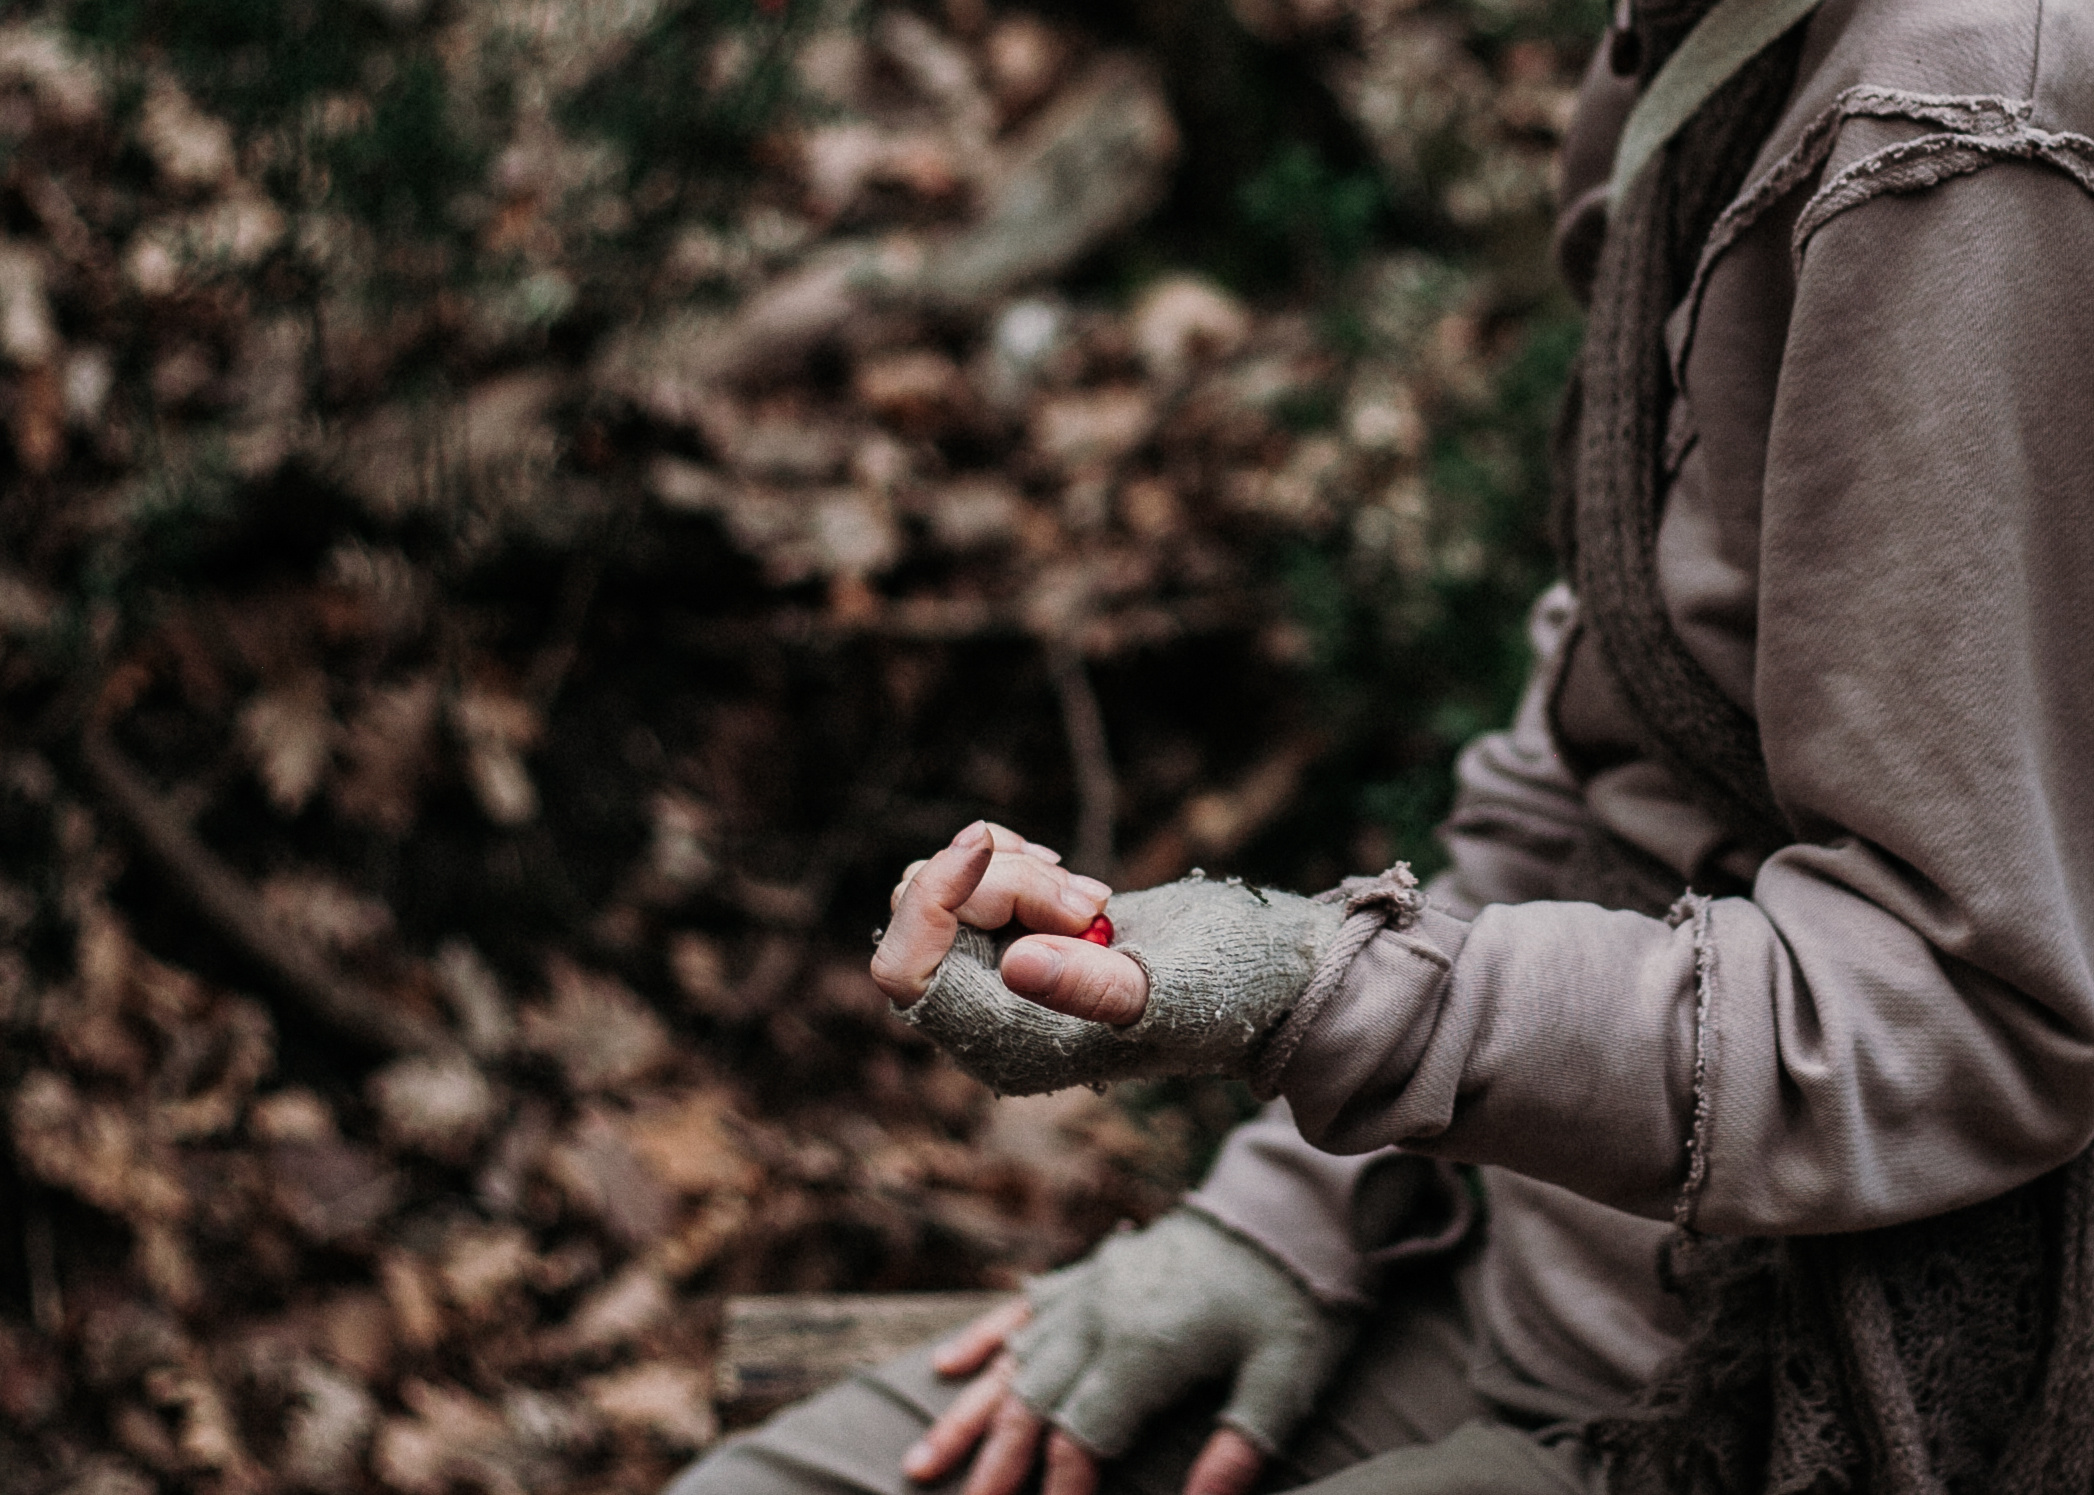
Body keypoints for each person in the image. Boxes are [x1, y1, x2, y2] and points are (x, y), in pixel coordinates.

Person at [667, 0, 2094, 1490]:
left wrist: (1302, 991)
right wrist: (1293, 1213)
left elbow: (1968, 1015)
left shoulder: (1960, 133)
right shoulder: (1700, 36)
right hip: (1498, 1247)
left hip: (1778, 1385)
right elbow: (1600, 748)